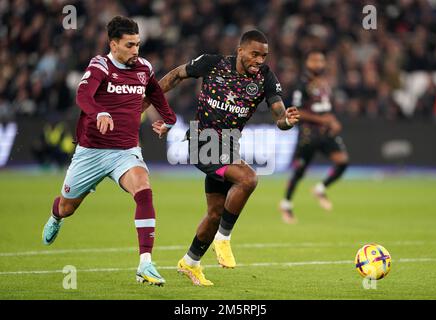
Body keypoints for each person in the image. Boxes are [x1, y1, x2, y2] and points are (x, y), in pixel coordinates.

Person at [41, 16, 177, 286]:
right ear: (114, 45)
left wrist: (169, 120)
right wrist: (99, 111)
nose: (136, 51)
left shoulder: (143, 68)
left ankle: (145, 264)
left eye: (138, 44)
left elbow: (157, 94)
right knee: (68, 207)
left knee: (144, 190)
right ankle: (56, 216)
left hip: (125, 151)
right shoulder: (100, 65)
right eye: (130, 45)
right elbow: (83, 97)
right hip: (91, 152)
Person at [157, 30, 300, 286]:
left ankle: (190, 262)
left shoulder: (265, 77)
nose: (259, 60)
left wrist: (286, 120)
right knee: (249, 178)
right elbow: (177, 74)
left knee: (214, 213)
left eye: (264, 55)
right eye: (254, 54)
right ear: (240, 50)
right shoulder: (213, 63)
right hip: (202, 140)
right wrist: (149, 100)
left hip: (228, 146)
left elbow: (279, 114)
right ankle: (223, 238)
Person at [279, 50, 349, 224]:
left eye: (321, 61)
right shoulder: (301, 84)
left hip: (325, 132)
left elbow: (323, 108)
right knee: (300, 171)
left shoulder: (324, 83)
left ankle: (320, 188)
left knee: (342, 161)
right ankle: (286, 204)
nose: (318, 64)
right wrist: (323, 120)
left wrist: (332, 120)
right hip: (309, 134)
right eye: (314, 60)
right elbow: (297, 111)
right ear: (308, 63)